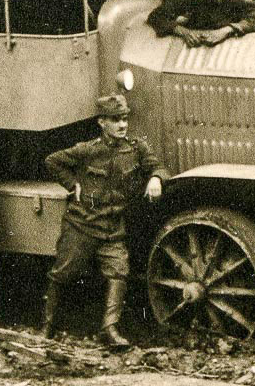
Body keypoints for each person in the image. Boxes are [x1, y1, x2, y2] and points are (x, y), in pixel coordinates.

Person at [41, 94, 169, 347]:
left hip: (112, 228)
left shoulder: (136, 149)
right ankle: (47, 326)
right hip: (82, 224)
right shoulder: (88, 150)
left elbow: (159, 167)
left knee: (119, 273)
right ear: (102, 122)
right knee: (62, 274)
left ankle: (109, 328)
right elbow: (52, 161)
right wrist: (72, 184)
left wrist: (156, 178)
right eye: (115, 120)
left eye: (124, 119)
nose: (122, 125)